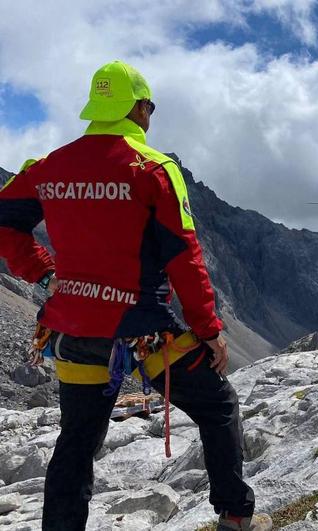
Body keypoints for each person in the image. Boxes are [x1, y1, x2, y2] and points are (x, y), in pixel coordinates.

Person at [0, 61, 272, 531]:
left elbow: (5, 222)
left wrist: (45, 276)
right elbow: (184, 256)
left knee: (78, 442)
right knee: (218, 405)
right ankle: (234, 515)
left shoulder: (49, 167)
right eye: (151, 108)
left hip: (73, 327)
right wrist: (209, 330)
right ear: (139, 108)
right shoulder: (153, 169)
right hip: (142, 331)